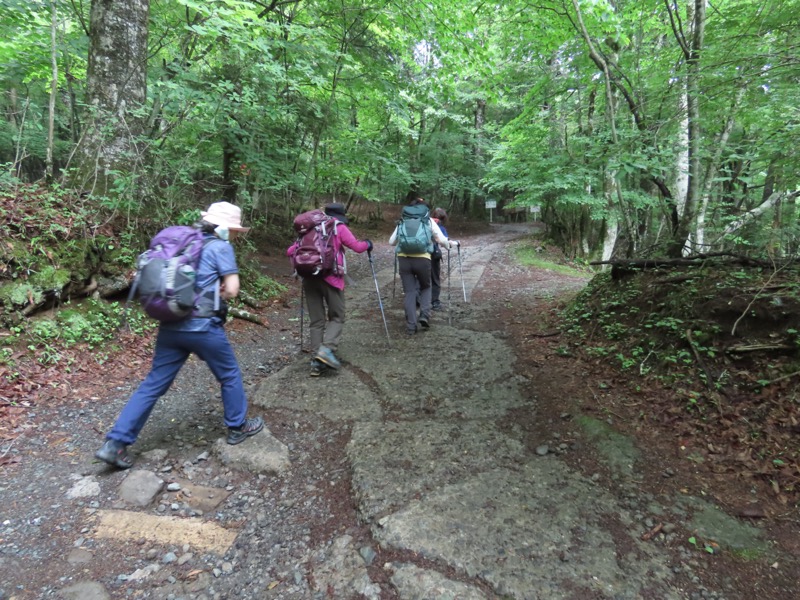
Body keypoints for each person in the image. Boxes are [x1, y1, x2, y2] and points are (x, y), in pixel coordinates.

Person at [95, 201, 264, 469]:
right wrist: (216, 294)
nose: (234, 235)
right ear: (223, 228)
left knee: (153, 384)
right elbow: (232, 289)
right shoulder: (220, 247)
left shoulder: (183, 245)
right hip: (204, 327)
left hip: (171, 326)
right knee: (229, 374)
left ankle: (115, 444)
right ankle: (238, 427)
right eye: (233, 230)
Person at [287, 203, 372, 376]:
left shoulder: (310, 228)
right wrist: (368, 244)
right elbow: (356, 246)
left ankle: (316, 362)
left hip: (309, 278)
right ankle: (326, 350)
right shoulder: (337, 227)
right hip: (331, 278)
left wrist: (303, 266)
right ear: (342, 216)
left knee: (317, 320)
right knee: (337, 316)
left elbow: (290, 251)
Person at [389, 198, 459, 335]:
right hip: (423, 259)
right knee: (426, 286)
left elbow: (391, 241)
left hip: (404, 259)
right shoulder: (428, 220)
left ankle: (411, 326)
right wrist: (450, 245)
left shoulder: (403, 220)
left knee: (409, 291)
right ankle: (424, 315)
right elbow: (441, 239)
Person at [430, 207, 448, 310]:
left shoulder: (426, 223)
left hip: (422, 253)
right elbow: (445, 241)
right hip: (433, 254)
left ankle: (418, 299)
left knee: (421, 278)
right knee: (435, 279)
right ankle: (435, 302)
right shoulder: (441, 228)